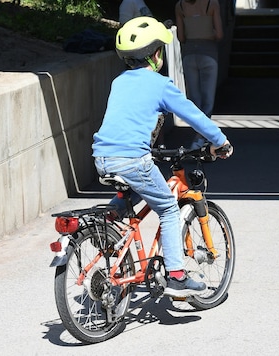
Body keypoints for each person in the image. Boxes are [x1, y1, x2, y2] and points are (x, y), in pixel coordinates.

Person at [92, 17, 233, 297]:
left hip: (103, 156)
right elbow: (193, 115)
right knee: (168, 208)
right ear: (157, 54)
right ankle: (177, 277)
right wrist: (220, 141)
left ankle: (106, 226)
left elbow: (126, 121)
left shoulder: (119, 82)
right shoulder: (160, 84)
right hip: (133, 159)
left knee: (130, 193)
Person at [175, 0, 224, 148]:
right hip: (208, 52)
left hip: (189, 53)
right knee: (207, 100)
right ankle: (200, 138)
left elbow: (181, 37)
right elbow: (220, 34)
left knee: (194, 98)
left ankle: (199, 137)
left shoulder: (180, 6)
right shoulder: (212, 3)